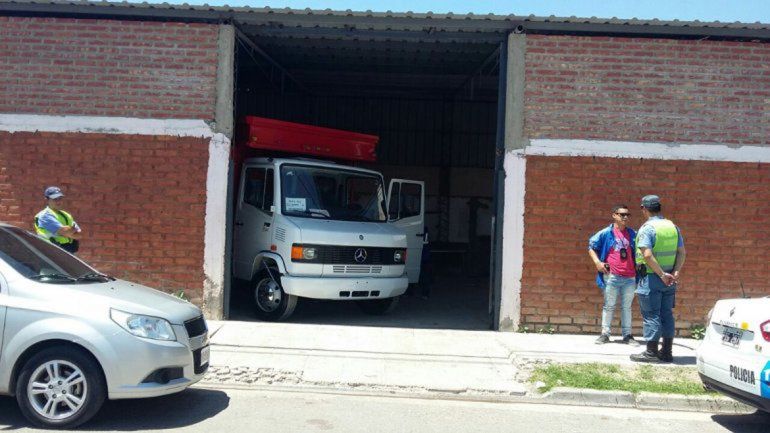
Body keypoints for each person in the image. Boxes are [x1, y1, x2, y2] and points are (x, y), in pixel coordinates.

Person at [630, 195, 686, 363]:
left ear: (644, 208)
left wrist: (661, 274)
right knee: (666, 314)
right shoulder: (673, 227)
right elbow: (682, 252)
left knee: (651, 315)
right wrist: (675, 272)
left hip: (652, 277)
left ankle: (651, 352)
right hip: (670, 279)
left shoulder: (647, 228)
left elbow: (647, 254)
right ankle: (667, 352)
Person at [588, 204, 640, 346]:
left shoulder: (633, 234)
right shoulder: (606, 233)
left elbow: (640, 251)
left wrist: (639, 262)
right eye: (622, 214)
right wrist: (597, 262)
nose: (625, 217)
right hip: (612, 276)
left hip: (630, 276)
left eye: (627, 215)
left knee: (626, 307)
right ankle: (605, 334)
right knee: (609, 306)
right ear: (614, 215)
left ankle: (627, 335)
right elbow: (591, 246)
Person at [34, 186, 82, 254]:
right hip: (51, 253)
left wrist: (67, 231)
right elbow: (65, 232)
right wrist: (71, 231)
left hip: (68, 253)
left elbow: (80, 235)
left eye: (60, 198)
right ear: (47, 200)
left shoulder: (66, 215)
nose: (58, 201)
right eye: (55, 199)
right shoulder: (44, 215)